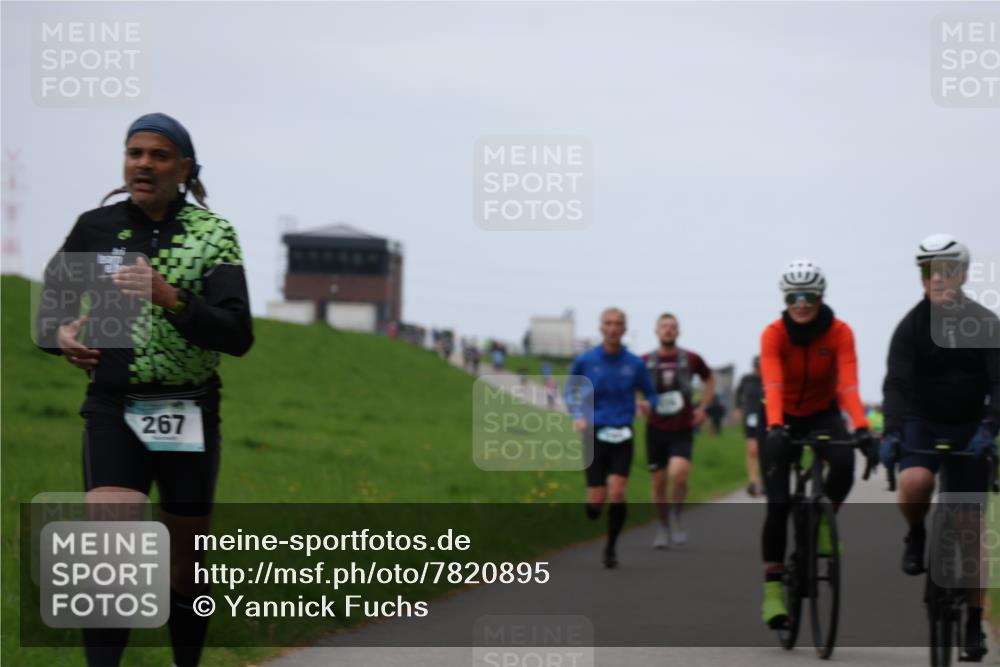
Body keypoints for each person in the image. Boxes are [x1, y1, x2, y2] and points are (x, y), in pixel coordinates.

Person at [36, 113, 253, 667]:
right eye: (135, 153)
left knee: (187, 566)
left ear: (183, 168)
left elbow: (237, 335)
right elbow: (51, 311)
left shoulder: (214, 235)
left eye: (158, 156)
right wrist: (59, 336)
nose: (144, 164)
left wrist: (172, 298)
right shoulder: (96, 228)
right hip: (114, 406)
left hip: (187, 407)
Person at [879, 234, 1000, 661]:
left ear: (963, 275)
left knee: (970, 527)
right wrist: (892, 431)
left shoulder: (985, 324)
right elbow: (896, 382)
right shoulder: (911, 327)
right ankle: (915, 532)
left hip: (972, 426)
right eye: (929, 272)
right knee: (914, 482)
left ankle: (972, 622)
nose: (937, 279)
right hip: (921, 422)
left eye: (946, 271)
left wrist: (991, 426)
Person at [757, 260, 875, 629]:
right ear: (786, 299)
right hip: (783, 415)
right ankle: (773, 595)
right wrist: (775, 425)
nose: (801, 303)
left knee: (843, 464)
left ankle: (823, 522)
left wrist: (861, 427)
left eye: (808, 295)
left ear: (821, 297)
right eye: (794, 296)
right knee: (777, 505)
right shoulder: (774, 334)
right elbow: (773, 384)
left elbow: (850, 385)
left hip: (823, 412)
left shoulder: (840, 332)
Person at [565, 308, 657, 568]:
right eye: (608, 323)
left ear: (624, 329)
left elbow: (651, 394)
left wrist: (647, 405)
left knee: (617, 492)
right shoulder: (586, 360)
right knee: (597, 499)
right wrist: (577, 415)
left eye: (618, 324)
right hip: (593, 431)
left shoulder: (635, 364)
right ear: (601, 328)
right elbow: (570, 392)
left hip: (623, 432)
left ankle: (611, 548)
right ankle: (593, 508)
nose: (613, 328)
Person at [640, 313, 715, 548]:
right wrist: (638, 402)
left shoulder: (691, 359)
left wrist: (703, 407)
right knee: (659, 482)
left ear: (678, 331)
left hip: (682, 427)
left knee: (679, 474)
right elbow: (631, 384)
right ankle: (662, 527)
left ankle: (677, 514)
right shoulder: (644, 361)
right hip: (655, 429)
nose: (668, 330)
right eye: (664, 326)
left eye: (672, 327)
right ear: (656, 330)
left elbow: (709, 379)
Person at [735, 356, 764, 497]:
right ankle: (753, 480)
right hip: (751, 417)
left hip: (766, 417)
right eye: (756, 367)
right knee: (752, 449)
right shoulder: (746, 379)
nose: (758, 370)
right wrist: (738, 408)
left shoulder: (768, 379)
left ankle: (765, 479)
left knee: (764, 449)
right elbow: (738, 394)